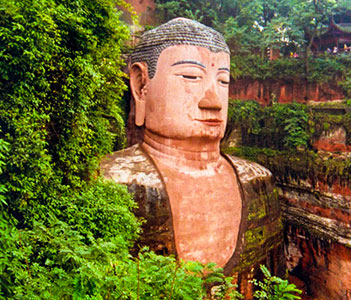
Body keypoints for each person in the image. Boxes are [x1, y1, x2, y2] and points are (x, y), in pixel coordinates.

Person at [101, 18, 283, 282]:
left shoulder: (256, 180)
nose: (213, 101)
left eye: (223, 81)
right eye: (191, 77)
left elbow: (272, 282)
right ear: (141, 85)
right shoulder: (111, 182)